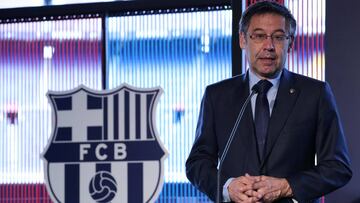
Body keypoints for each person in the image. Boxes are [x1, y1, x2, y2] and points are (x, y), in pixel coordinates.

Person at [185, 1, 352, 203]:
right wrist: (227, 187)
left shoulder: (315, 94)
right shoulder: (216, 95)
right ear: (242, 40)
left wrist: (287, 186)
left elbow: (338, 167)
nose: (269, 46)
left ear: (290, 43)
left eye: (279, 37)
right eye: (259, 36)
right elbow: (197, 163)